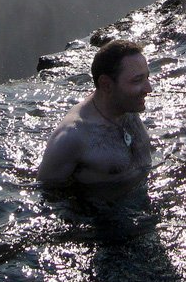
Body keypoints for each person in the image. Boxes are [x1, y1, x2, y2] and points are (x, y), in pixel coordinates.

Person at [37, 39, 154, 188]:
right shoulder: (72, 137)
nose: (149, 89)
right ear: (106, 84)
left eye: (147, 77)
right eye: (137, 81)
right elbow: (45, 195)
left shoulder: (127, 107)